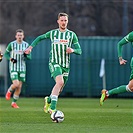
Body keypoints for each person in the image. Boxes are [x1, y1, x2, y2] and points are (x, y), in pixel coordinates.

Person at [25, 12, 82, 114]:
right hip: (54, 62)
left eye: (65, 20)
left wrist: (73, 50)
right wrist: (30, 48)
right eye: (62, 20)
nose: (63, 22)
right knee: (59, 82)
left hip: (66, 65)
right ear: (58, 21)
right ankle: (53, 108)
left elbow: (79, 51)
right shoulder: (53, 33)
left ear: (67, 21)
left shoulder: (72, 35)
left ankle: (49, 100)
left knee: (59, 89)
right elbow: (39, 38)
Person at [100, 31, 133, 106]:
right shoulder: (132, 35)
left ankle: (107, 93)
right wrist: (120, 59)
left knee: (130, 88)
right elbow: (120, 43)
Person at [4, 29, 31, 108]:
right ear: (16, 36)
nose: (19, 37)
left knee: (19, 86)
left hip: (22, 68)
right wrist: (11, 59)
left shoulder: (26, 45)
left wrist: (27, 55)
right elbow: (6, 54)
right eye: (18, 35)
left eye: (21, 35)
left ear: (23, 36)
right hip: (13, 67)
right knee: (16, 84)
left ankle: (14, 103)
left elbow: (30, 57)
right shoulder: (12, 44)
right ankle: (9, 91)